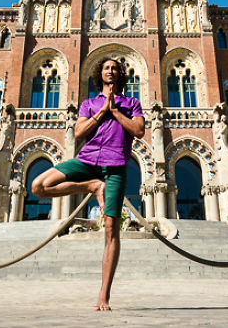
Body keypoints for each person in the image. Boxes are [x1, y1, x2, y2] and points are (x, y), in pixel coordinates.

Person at [32, 57, 145, 311]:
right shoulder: (89, 103)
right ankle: (91, 186)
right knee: (39, 185)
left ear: (120, 75)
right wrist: (102, 112)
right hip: (86, 161)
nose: (111, 71)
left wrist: (115, 111)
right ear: (100, 74)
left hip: (115, 166)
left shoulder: (132, 103)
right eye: (106, 68)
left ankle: (103, 296)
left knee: (111, 228)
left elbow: (138, 131)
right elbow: (79, 132)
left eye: (115, 68)